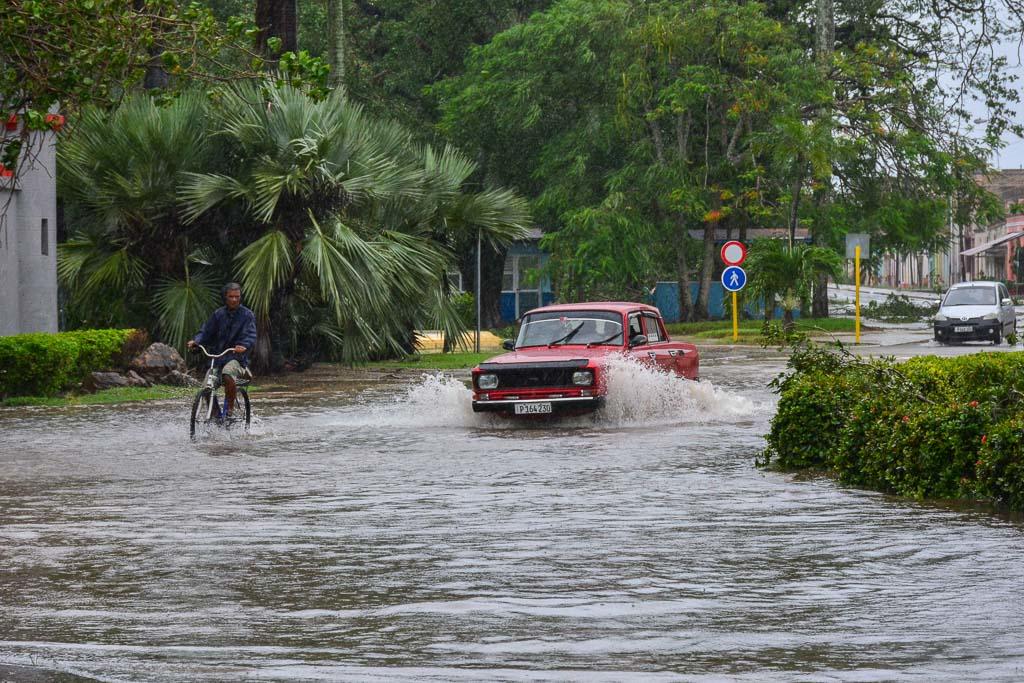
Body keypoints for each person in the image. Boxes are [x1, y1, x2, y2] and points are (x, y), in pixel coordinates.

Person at [187, 282, 257, 418]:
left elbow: (250, 335)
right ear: (225, 297)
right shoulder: (218, 314)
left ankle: (229, 410)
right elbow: (206, 331)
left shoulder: (247, 315)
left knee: (227, 374)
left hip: (237, 359)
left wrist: (243, 346)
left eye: (237, 296)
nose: (234, 299)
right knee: (206, 387)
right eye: (231, 296)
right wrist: (197, 341)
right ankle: (216, 415)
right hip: (218, 358)